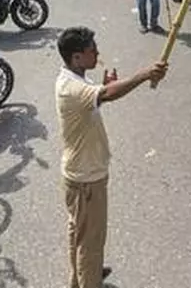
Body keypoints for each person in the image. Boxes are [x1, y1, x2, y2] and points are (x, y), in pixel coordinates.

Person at [54, 27, 168, 288]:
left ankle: (81, 277)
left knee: (79, 233)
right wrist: (145, 74)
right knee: (91, 242)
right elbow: (108, 95)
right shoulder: (72, 87)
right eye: (92, 51)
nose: (97, 54)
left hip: (79, 175)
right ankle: (89, 279)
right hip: (87, 179)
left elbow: (100, 96)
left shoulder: (75, 80)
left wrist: (105, 86)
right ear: (76, 57)